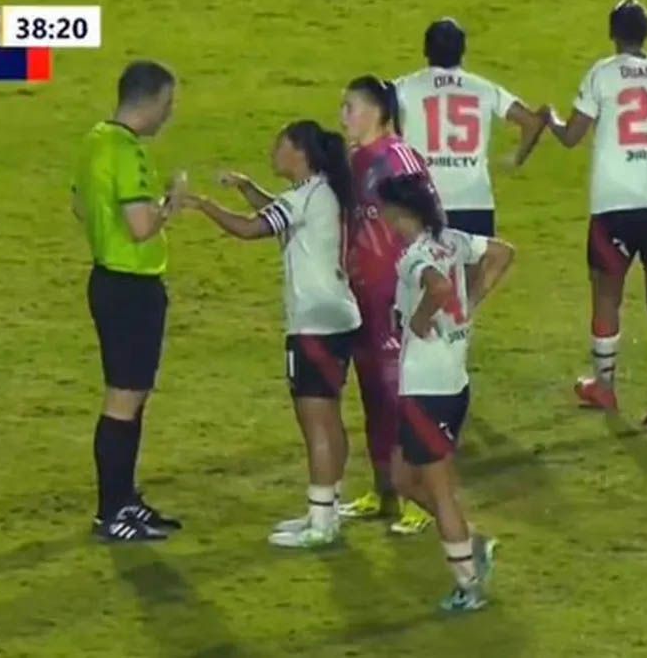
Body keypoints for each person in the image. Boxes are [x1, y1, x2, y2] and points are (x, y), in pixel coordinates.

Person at [178, 120, 361, 549]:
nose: (273, 152)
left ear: (300, 153)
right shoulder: (322, 191)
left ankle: (321, 524)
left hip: (313, 323)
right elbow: (277, 213)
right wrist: (247, 187)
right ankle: (326, 510)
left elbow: (250, 228)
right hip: (339, 316)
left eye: (280, 146)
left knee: (315, 422)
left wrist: (201, 204)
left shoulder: (305, 196)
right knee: (330, 416)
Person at [540, 0, 647, 430]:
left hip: (615, 205)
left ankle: (605, 386)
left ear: (613, 33)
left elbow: (573, 136)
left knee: (607, 296)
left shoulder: (602, 73)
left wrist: (551, 119)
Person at [376, 175, 515, 611]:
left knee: (438, 491)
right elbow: (502, 253)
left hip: (428, 388)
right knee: (401, 477)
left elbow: (436, 288)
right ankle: (473, 541)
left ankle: (468, 586)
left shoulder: (414, 257)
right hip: (450, 382)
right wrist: (471, 301)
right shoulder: (452, 239)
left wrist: (420, 320)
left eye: (384, 211)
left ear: (400, 214)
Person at [71, 60, 187, 542]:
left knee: (131, 397)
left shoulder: (95, 139)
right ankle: (111, 512)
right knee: (123, 400)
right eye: (169, 104)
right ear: (154, 101)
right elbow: (141, 226)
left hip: (108, 279)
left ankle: (125, 501)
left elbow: (80, 205)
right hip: (132, 286)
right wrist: (171, 204)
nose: (170, 114)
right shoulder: (130, 152)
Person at [337, 75, 437, 535]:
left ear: (378, 111)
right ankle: (384, 491)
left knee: (402, 397)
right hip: (362, 298)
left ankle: (418, 498)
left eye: (351, 108)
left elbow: (432, 225)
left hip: (397, 298)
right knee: (373, 394)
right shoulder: (356, 162)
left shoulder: (399, 160)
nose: (344, 117)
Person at [394, 17, 546, 236]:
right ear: (463, 51)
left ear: (426, 50)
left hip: (424, 200)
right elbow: (532, 122)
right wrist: (516, 158)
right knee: (476, 269)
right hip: (475, 203)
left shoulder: (405, 87)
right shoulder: (483, 88)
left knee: (423, 268)